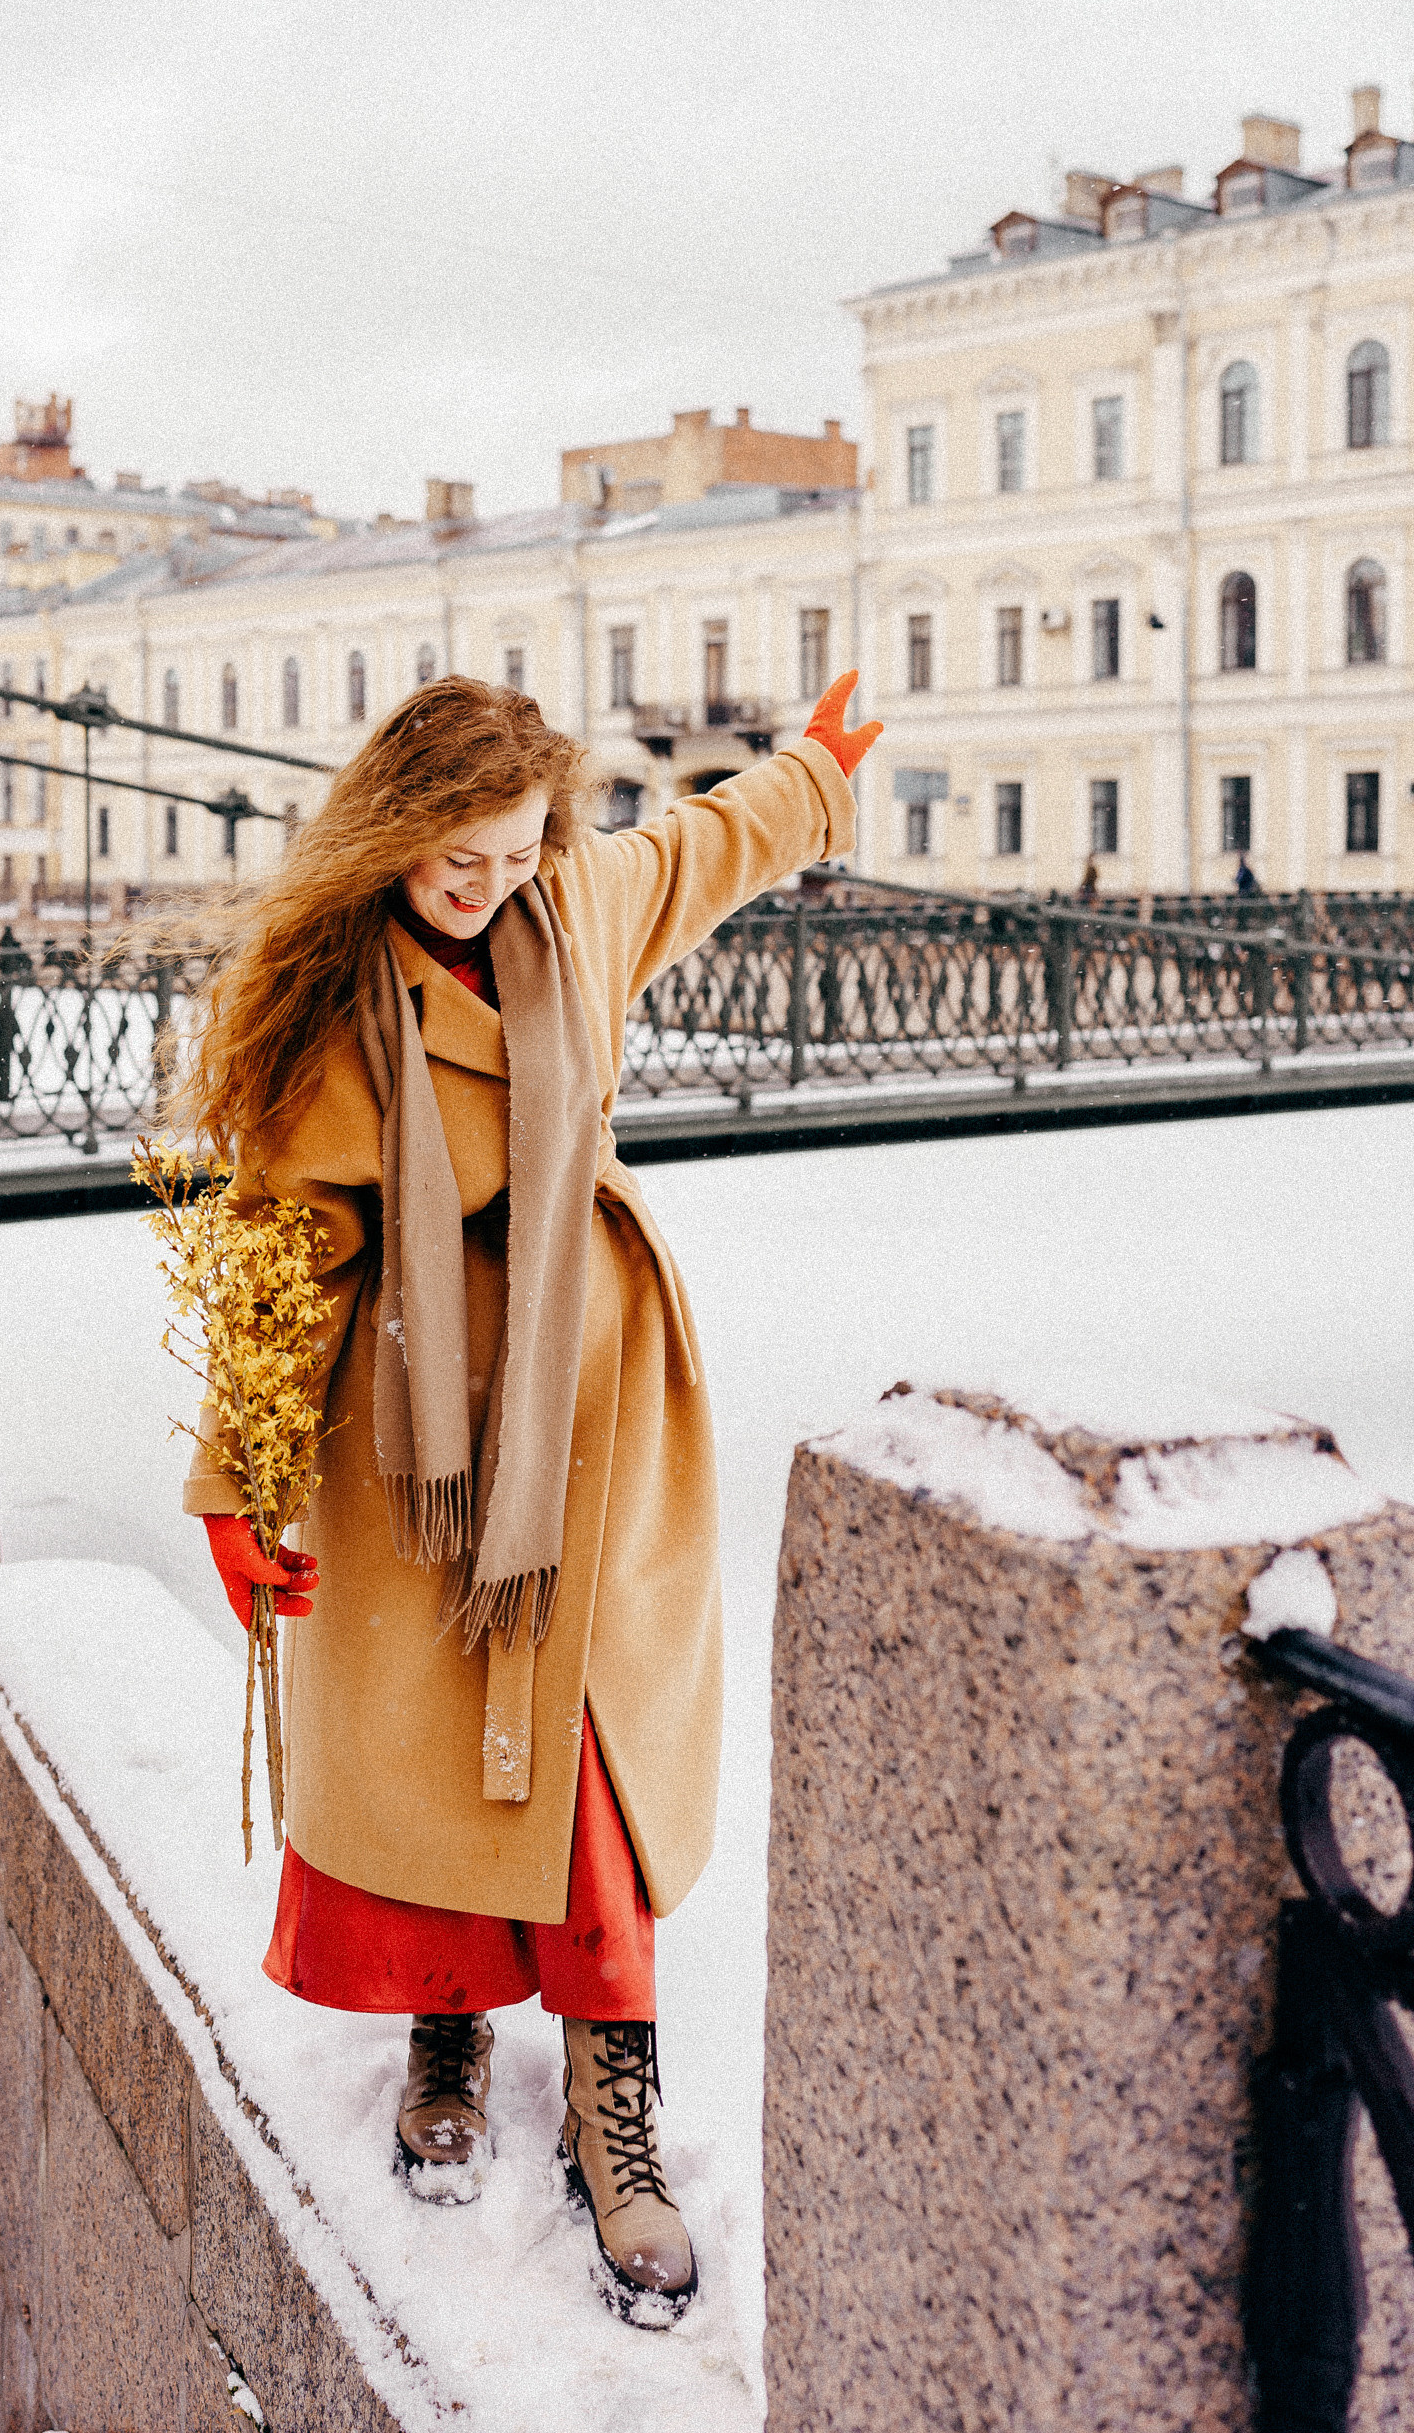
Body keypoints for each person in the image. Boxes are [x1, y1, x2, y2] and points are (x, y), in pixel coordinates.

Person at [174, 671, 880, 2324]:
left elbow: (707, 846)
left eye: (513, 853)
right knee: (444, 1744)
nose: (486, 888)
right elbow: (283, 1264)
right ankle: (450, 2021)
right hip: (416, 1426)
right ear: (395, 833)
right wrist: (241, 1483)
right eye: (456, 859)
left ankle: (614, 2100)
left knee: (592, 1756)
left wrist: (817, 770)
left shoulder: (578, 906)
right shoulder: (332, 1015)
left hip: (599, 1404)